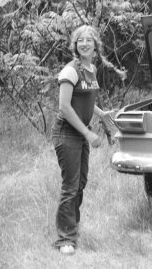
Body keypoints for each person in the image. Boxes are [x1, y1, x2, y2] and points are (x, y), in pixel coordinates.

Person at [51, 25, 126, 255]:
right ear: (75, 45)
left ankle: (72, 227)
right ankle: (65, 239)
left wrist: (101, 114)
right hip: (67, 133)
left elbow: (83, 98)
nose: (84, 43)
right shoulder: (71, 71)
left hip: (80, 133)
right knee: (70, 186)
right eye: (80, 40)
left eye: (88, 40)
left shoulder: (91, 69)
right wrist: (87, 132)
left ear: (96, 45)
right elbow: (64, 106)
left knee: (80, 183)